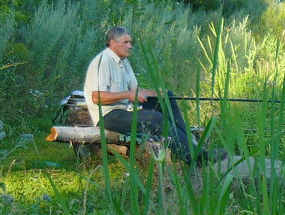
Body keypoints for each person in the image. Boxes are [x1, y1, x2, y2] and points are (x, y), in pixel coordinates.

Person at [84, 26, 209, 164]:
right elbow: (96, 97)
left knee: (167, 98)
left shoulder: (124, 62)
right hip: (107, 116)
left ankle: (194, 149)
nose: (130, 46)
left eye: (130, 42)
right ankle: (195, 158)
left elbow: (136, 90)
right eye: (126, 42)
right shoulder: (103, 61)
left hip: (122, 110)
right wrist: (126, 94)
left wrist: (156, 93)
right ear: (112, 43)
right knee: (154, 119)